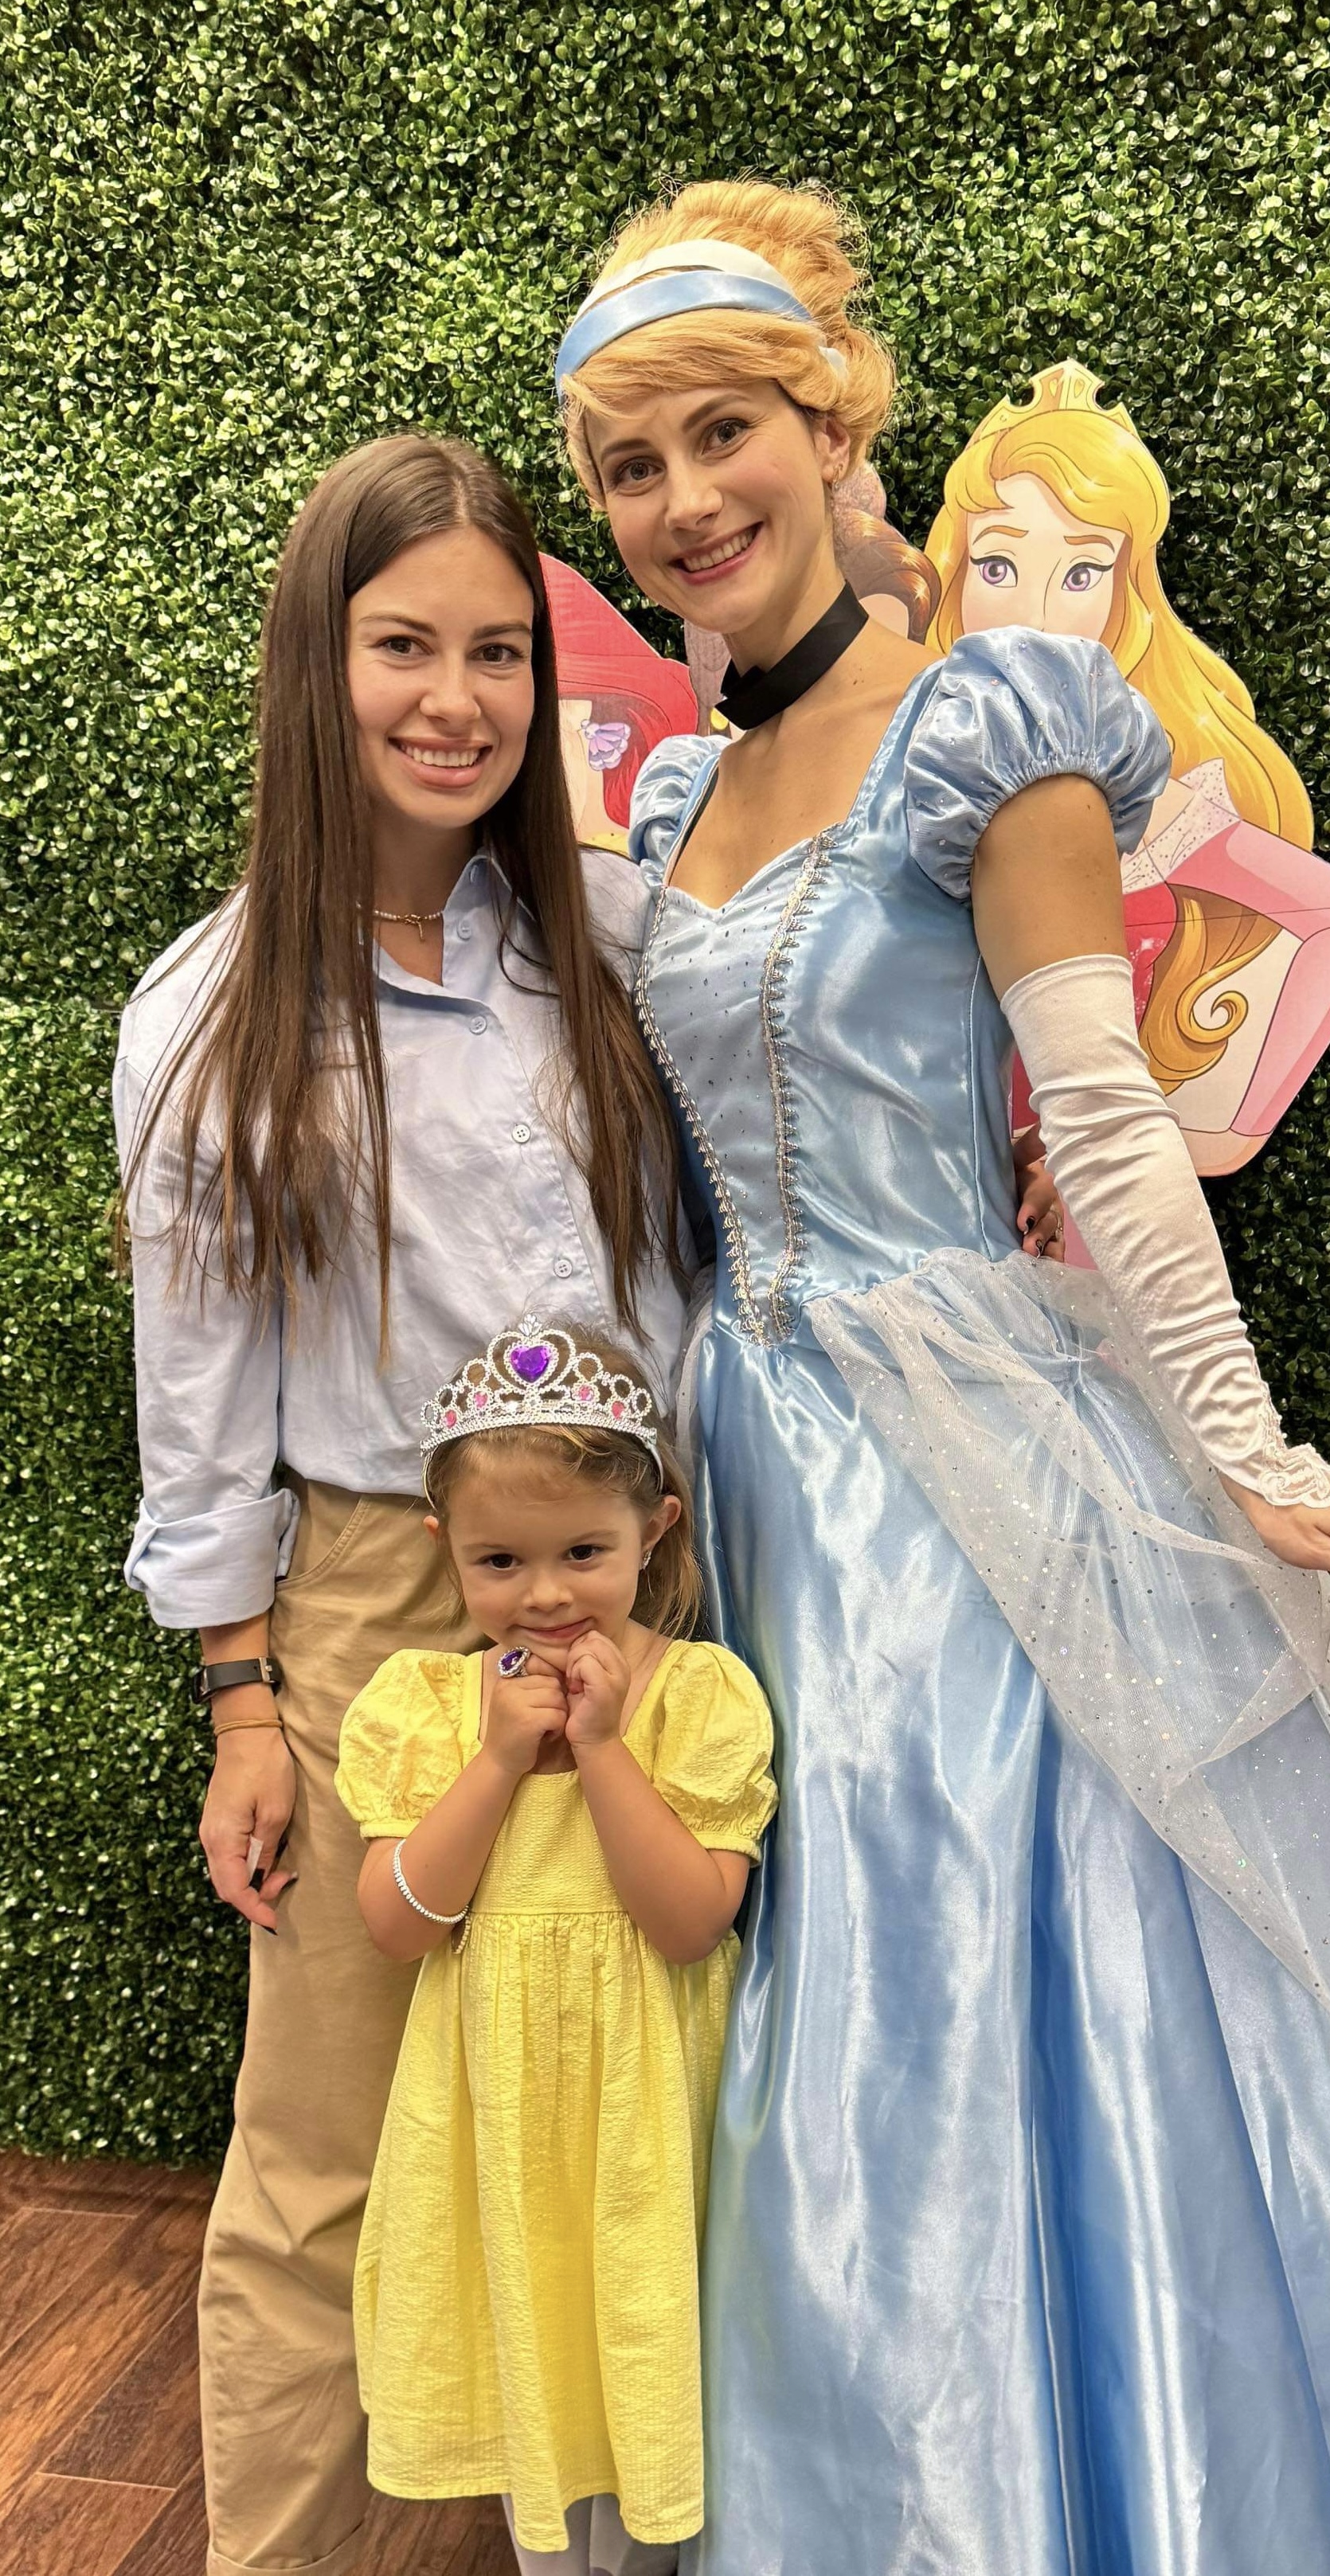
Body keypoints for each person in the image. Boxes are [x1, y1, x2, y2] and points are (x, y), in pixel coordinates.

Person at [554, 177, 1330, 2573]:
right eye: (628, 466)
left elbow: (1100, 1120)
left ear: (832, 429)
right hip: (744, 1466)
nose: (682, 501)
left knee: (956, 1962)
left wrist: (1246, 1448)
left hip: (963, 1470)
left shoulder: (985, 728)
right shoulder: (674, 798)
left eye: (722, 436)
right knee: (800, 1961)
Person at [113, 429, 1058, 2576]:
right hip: (386, 1598)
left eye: (498, 654)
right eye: (402, 647)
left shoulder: (616, 938)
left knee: (690, 2089)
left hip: (679, 1567)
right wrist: (245, 1701)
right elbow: (200, 1400)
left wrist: (993, 1156)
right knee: (336, 2145)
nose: (454, 701)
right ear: (313, 665)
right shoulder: (211, 1017)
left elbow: (821, 1111)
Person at [338, 1319, 775, 2576]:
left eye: (583, 1550)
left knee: (644, 2352)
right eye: (500, 1559)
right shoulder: (424, 1703)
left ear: (656, 1527)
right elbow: (397, 1921)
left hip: (649, 2112)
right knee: (535, 2357)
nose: (542, 1593)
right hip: (500, 2117)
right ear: (445, 1548)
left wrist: (599, 1750)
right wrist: (493, 1762)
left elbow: (689, 1920)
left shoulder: (698, 1693)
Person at [926, 358, 1330, 1175]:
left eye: (1081, 572)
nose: (1034, 611)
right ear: (955, 573)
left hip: (1076, 1203)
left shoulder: (1150, 805)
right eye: (997, 566)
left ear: (1122, 595)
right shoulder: (894, 767)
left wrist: (1218, 1132)